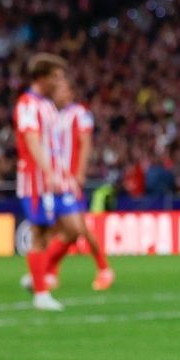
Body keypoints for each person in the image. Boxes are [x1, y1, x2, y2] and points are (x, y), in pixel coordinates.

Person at [43, 77, 114, 291]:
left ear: (70, 92)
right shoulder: (51, 115)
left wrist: (80, 174)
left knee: (78, 227)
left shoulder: (80, 114)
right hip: (52, 180)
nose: (59, 93)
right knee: (58, 229)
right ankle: (50, 272)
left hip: (70, 181)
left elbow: (85, 144)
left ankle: (104, 269)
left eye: (62, 90)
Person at [15, 53, 70, 310]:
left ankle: (37, 279)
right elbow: (32, 140)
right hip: (36, 180)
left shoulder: (47, 106)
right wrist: (48, 171)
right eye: (56, 77)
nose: (60, 82)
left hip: (52, 178)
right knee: (39, 232)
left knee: (55, 231)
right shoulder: (27, 104)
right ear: (43, 77)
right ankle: (40, 293)